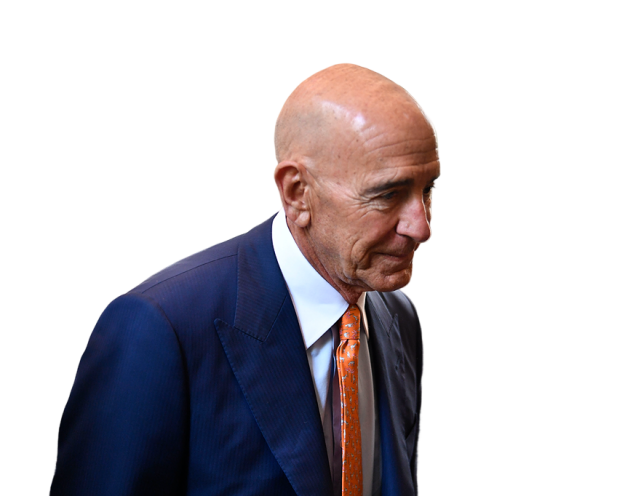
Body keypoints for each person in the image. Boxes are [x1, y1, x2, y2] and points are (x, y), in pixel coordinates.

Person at [50, 62, 439, 496]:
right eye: (388, 194)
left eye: (428, 190)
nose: (421, 227)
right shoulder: (159, 328)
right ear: (296, 193)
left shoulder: (397, 315)